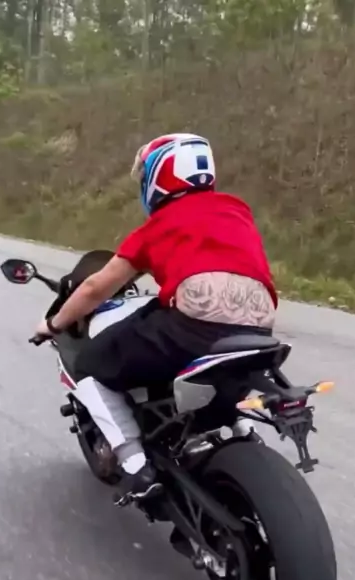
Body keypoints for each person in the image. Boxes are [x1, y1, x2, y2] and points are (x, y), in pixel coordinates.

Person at [33, 132, 278, 501]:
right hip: (259, 328)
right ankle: (241, 430)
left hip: (194, 327)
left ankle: (135, 464)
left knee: (89, 366)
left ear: (160, 176)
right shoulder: (236, 209)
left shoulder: (159, 225)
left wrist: (52, 324)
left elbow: (95, 288)